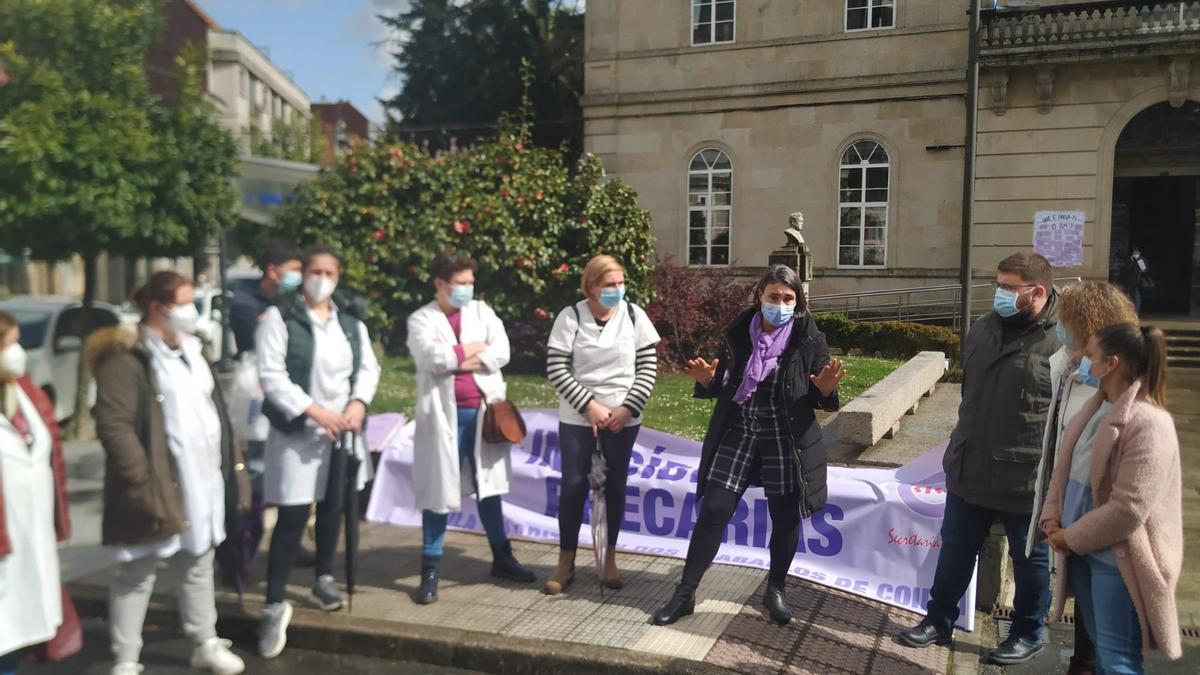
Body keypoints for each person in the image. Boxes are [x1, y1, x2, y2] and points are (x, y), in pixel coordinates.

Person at [651, 264, 844, 627]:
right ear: (760, 297)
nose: (780, 304)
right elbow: (726, 380)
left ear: (797, 302)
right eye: (774, 297)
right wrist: (709, 381)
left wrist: (827, 387)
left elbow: (820, 389)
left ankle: (775, 590)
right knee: (713, 510)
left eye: (788, 298)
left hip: (786, 440)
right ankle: (685, 593)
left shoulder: (807, 336)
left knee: (785, 518)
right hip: (739, 433)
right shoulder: (740, 331)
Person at [899, 251, 1058, 665]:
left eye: (1008, 287)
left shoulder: (1063, 341)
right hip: (970, 466)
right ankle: (939, 620)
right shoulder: (984, 328)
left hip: (1026, 477)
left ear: (1037, 291)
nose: (1000, 294)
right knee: (954, 550)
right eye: (998, 285)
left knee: (1030, 562)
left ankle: (1027, 632)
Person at [89, 271, 250, 675]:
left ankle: (204, 642)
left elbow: (216, 417)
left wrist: (235, 469)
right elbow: (114, 425)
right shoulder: (127, 358)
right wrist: (140, 478)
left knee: (198, 562)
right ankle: (126, 658)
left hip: (201, 479)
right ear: (159, 308)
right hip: (155, 481)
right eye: (185, 301)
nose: (192, 309)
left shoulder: (195, 351)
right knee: (138, 569)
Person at [255, 244, 381, 658]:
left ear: (338, 277)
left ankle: (323, 576)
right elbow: (272, 375)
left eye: (329, 272)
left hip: (343, 431)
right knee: (292, 513)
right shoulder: (281, 318)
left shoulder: (349, 322)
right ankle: (274, 601)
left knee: (335, 507)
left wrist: (357, 404)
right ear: (302, 274)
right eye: (314, 271)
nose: (321, 279)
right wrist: (317, 412)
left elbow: (367, 367)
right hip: (299, 431)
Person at [1041, 323, 1183, 674]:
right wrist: (1052, 516)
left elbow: (1127, 510)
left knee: (1118, 660)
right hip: (1085, 554)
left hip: (1116, 563)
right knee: (1104, 653)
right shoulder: (1098, 407)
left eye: (1089, 355)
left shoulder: (1150, 423)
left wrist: (1069, 537)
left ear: (1112, 363)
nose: (1080, 360)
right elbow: (1064, 470)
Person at [407, 252, 536, 605]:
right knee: (439, 494)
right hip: (442, 419)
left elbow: (503, 351)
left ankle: (502, 558)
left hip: (483, 416)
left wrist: (457, 355)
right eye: (460, 283)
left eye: (469, 282)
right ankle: (430, 567)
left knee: (489, 489)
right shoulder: (421, 320)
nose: (467, 289)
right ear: (439, 284)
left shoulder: (482, 312)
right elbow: (432, 360)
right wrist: (476, 350)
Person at [1025, 281, 1137, 675]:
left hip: (1105, 543)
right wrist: (1054, 514)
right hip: (1074, 527)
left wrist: (1071, 532)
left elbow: (1128, 501)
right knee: (1093, 626)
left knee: (1116, 651)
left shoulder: (1132, 410)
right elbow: (1059, 453)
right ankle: (1083, 659)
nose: (1061, 329)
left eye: (1069, 324)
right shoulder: (1072, 371)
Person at [544, 255, 660, 594]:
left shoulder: (635, 315)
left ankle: (608, 557)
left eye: (621, 283)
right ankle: (566, 560)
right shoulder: (571, 316)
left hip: (624, 418)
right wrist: (589, 406)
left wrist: (627, 408)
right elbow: (556, 367)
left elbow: (648, 368)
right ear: (591, 286)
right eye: (609, 285)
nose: (617, 290)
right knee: (573, 486)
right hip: (578, 418)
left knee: (615, 487)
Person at [0, 312, 71, 674]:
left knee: (18, 630)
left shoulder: (21, 390)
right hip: (4, 539)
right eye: (9, 344)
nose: (17, 353)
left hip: (29, 532)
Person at [228, 239, 304, 355]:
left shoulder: (294, 298)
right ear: (272, 271)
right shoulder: (244, 303)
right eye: (295, 270)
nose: (299, 276)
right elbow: (252, 341)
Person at [1120, 246, 1149, 313]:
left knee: (1136, 296)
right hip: (1129, 282)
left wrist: (1142, 270)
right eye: (1134, 252)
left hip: (1137, 282)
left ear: (1139, 253)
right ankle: (1130, 311)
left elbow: (1145, 270)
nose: (1135, 254)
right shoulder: (1129, 260)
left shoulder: (1142, 260)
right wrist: (1131, 261)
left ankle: (1136, 312)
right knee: (1129, 297)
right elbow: (1127, 270)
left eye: (1136, 252)